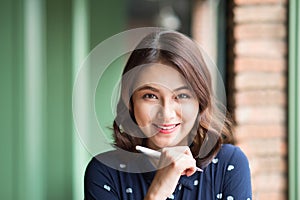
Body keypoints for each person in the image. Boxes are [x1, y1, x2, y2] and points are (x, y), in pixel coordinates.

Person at [84, 29, 252, 200]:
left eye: (182, 96)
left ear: (200, 101)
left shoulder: (229, 164)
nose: (166, 114)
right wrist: (158, 192)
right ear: (130, 101)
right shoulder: (105, 172)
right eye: (150, 96)